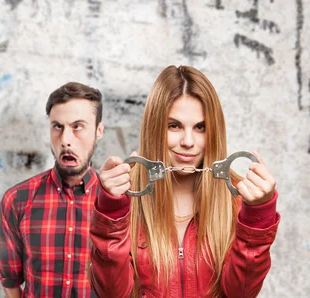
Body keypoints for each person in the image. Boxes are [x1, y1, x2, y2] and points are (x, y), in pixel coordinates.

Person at [89, 65, 280, 298]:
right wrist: (111, 214)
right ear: (154, 128)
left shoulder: (239, 199)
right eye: (174, 126)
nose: (188, 141)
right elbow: (112, 294)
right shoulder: (123, 196)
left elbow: (241, 293)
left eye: (200, 127)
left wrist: (258, 216)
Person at [0, 82, 105, 298]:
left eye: (78, 127)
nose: (65, 140)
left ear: (98, 131)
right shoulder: (17, 200)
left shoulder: (119, 203)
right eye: (58, 127)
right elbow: (11, 280)